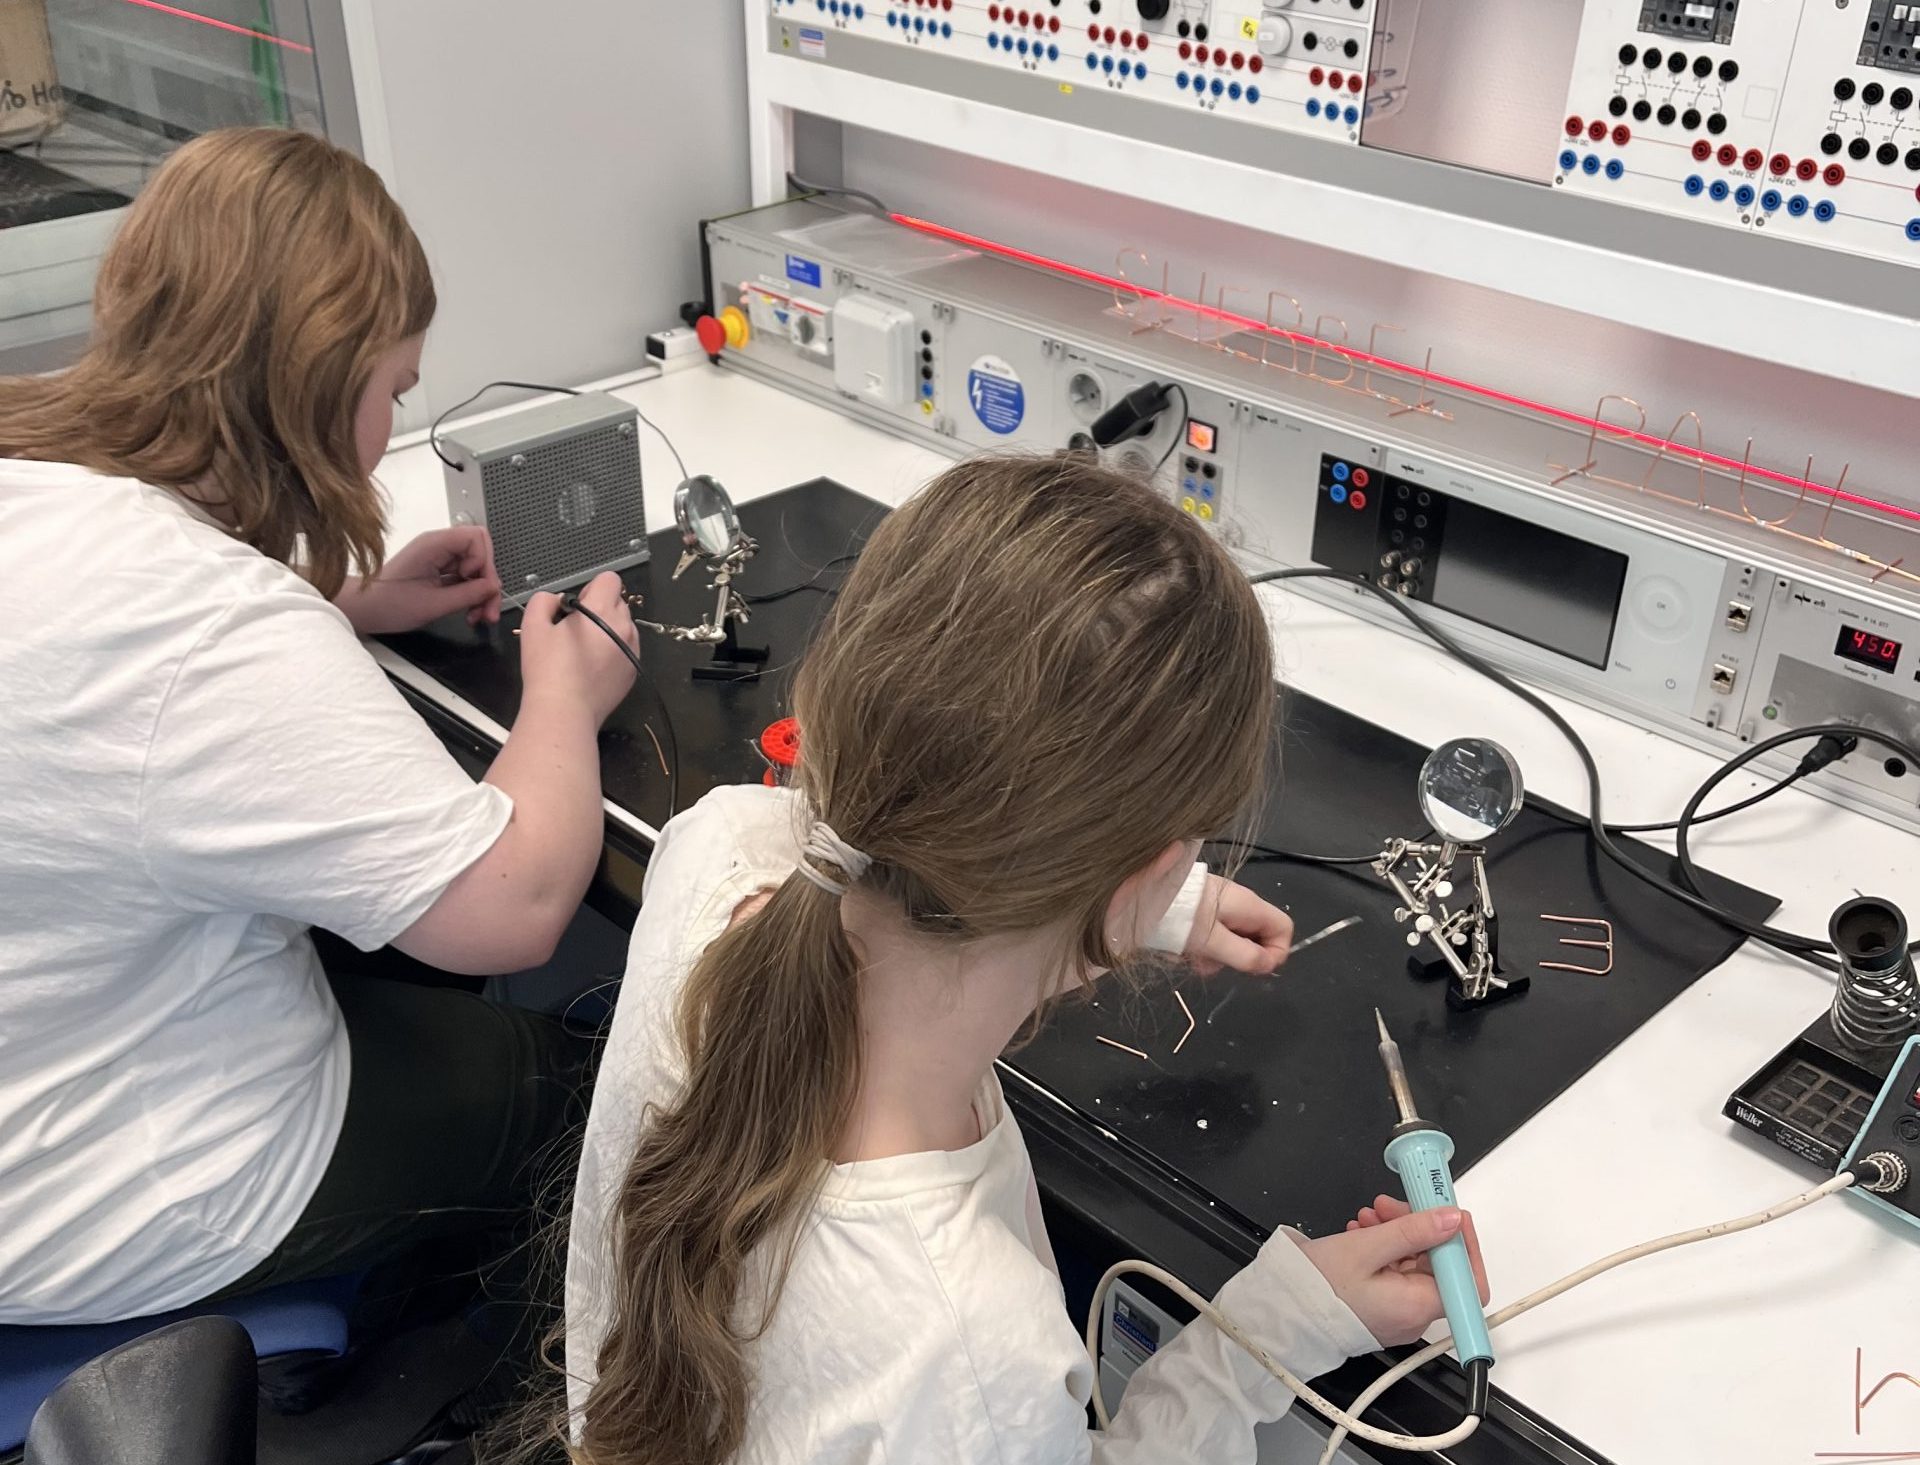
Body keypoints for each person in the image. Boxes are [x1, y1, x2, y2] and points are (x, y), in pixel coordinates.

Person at [561, 455, 1489, 1464]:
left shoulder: (716, 845)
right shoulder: (972, 1352)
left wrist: (1140, 903)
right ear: (1141, 872)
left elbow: (861, 825)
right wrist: (1274, 1329)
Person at [0, 127, 637, 1327]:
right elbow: (511, 908)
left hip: (40, 1064)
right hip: (108, 1184)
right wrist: (567, 693)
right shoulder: (208, 630)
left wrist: (334, 596)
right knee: (605, 1104)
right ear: (317, 383)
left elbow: (108, 682)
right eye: (392, 390)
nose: (393, 422)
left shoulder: (27, 465)